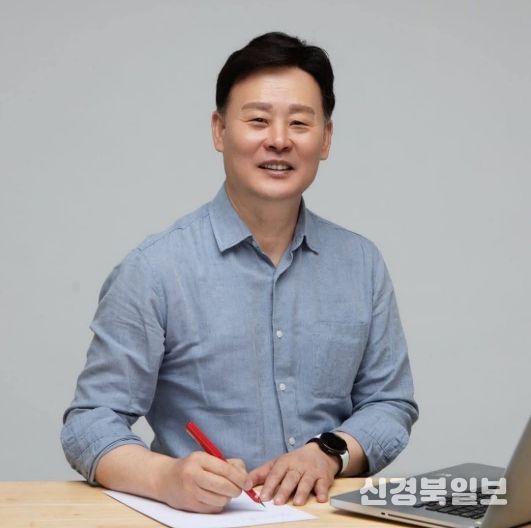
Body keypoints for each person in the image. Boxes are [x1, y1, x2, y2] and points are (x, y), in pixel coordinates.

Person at [61, 31, 418, 514]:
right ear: (219, 130)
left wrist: (329, 452)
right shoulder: (155, 269)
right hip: (207, 518)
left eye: (299, 122)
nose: (279, 140)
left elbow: (390, 403)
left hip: (327, 517)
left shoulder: (361, 263)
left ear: (326, 139)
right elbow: (89, 423)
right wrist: (165, 477)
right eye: (258, 120)